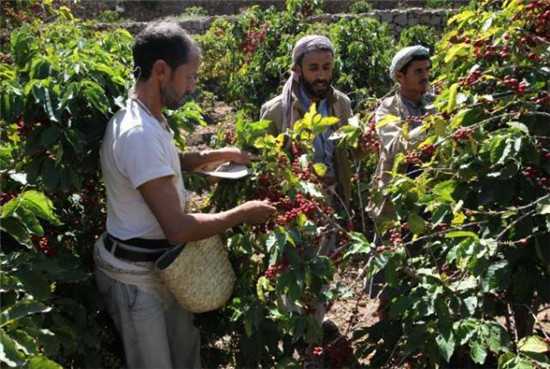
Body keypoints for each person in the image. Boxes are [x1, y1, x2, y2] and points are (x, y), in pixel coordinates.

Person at [94, 20, 275, 369]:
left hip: (164, 268)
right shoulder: (138, 134)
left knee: (185, 353)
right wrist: (243, 212)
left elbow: (166, 164)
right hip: (136, 278)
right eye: (190, 76)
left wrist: (220, 154)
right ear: (161, 71)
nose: (193, 86)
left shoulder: (149, 118)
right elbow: (177, 228)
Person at [367, 45, 435, 227]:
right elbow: (396, 147)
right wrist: (429, 128)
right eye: (418, 71)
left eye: (427, 70)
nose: (425, 76)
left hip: (432, 192)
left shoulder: (435, 103)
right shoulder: (387, 109)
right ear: (400, 76)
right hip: (397, 197)